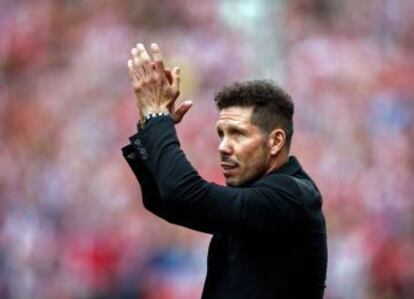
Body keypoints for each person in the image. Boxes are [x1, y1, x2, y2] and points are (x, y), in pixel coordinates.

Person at [122, 42, 327, 299]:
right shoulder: (255, 197)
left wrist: (157, 118)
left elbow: (182, 194)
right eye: (221, 133)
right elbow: (163, 200)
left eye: (237, 134)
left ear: (275, 141)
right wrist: (148, 123)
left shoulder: (292, 195)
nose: (223, 146)